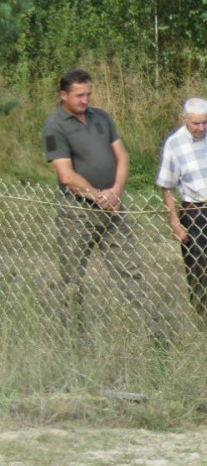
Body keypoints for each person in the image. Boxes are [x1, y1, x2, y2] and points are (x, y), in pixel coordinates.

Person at [43, 69, 156, 334]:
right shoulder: (55, 127)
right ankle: (74, 333)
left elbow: (123, 157)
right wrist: (97, 196)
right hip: (77, 211)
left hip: (112, 208)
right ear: (64, 95)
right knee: (72, 276)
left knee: (130, 270)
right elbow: (66, 175)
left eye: (88, 94)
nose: (85, 100)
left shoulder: (102, 117)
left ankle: (150, 332)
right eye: (79, 95)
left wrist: (115, 192)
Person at [156, 97, 207, 323]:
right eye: (196, 123)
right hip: (196, 210)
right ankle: (202, 321)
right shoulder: (174, 144)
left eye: (205, 122)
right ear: (184, 120)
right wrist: (175, 222)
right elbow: (167, 187)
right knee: (199, 267)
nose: (202, 128)